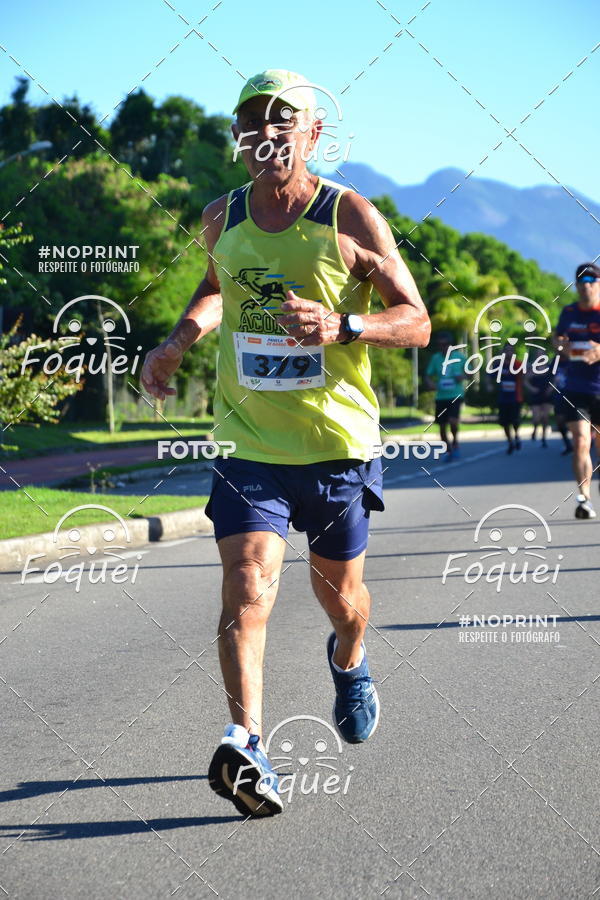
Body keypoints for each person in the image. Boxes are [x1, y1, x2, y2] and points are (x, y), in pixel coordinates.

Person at [140, 69, 430, 816]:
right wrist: (176, 342)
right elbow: (215, 288)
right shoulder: (221, 216)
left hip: (336, 444)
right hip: (249, 444)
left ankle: (351, 659)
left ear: (313, 134)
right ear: (238, 136)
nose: (266, 134)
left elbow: (417, 320)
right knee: (248, 583)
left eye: (283, 121)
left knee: (342, 599)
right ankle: (248, 744)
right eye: (252, 122)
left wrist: (345, 326)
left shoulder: (351, 216)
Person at [555, 262, 600, 519]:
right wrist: (560, 345)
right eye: (581, 283)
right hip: (576, 388)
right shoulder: (568, 312)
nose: (586, 287)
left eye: (591, 282)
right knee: (581, 442)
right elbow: (557, 339)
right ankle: (584, 499)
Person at [425, 332, 466, 460]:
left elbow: (470, 372)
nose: (442, 347)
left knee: (453, 421)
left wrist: (463, 376)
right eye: (440, 345)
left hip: (455, 395)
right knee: (442, 426)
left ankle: (455, 442)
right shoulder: (436, 358)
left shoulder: (460, 357)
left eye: (445, 345)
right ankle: (448, 450)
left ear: (450, 346)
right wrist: (431, 384)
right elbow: (427, 375)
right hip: (441, 397)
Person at [495, 343, 524, 454]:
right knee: (504, 422)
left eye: (510, 350)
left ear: (513, 352)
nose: (508, 353)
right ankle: (510, 441)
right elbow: (490, 375)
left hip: (515, 397)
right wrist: (489, 385)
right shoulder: (499, 365)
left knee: (515, 420)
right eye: (506, 350)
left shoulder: (517, 364)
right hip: (503, 398)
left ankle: (516, 436)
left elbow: (524, 375)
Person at [524, 350, 552, 447]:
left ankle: (543, 438)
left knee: (545, 417)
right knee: (536, 417)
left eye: (542, 355)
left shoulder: (549, 368)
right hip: (535, 394)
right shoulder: (531, 368)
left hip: (546, 395)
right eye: (538, 355)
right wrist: (531, 389)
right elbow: (525, 381)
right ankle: (535, 428)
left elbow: (555, 380)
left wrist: (551, 389)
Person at [549, 354, 573, 455]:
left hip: (573, 395)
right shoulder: (555, 360)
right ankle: (568, 444)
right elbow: (550, 376)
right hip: (559, 395)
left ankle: (585, 441)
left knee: (576, 422)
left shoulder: (574, 359)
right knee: (560, 421)